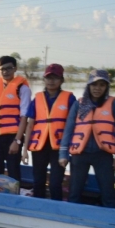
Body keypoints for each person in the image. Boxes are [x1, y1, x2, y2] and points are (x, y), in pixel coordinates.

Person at [59, 70, 115, 208]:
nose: (97, 88)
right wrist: (63, 154)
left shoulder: (114, 104)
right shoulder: (79, 104)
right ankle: (72, 220)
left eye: (102, 85)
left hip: (103, 155)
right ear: (88, 86)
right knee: (74, 192)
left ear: (106, 87)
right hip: (80, 154)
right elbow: (69, 129)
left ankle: (111, 222)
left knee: (108, 193)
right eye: (94, 84)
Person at [21, 64, 76, 200]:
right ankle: (38, 208)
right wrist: (24, 150)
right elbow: (30, 125)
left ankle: (56, 209)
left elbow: (76, 125)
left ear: (62, 80)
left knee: (55, 183)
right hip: (39, 146)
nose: (51, 81)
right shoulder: (37, 99)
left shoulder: (69, 99)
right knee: (38, 181)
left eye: (55, 78)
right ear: (44, 80)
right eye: (48, 78)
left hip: (60, 148)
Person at [0, 56, 31, 179]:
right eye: (2, 69)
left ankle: (15, 198)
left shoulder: (23, 89)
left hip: (12, 137)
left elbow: (24, 117)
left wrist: (17, 141)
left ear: (15, 69)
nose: (5, 72)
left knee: (13, 173)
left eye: (9, 68)